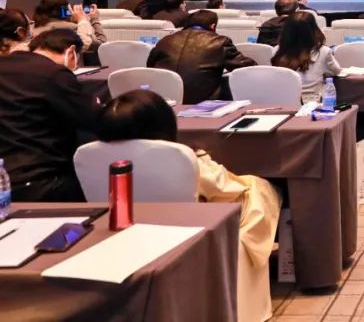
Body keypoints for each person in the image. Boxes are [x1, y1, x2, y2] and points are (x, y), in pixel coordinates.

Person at [97, 90, 281, 322]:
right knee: (257, 189)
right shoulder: (182, 159)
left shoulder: (87, 157)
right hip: (190, 234)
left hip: (119, 232)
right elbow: (223, 189)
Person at [0, 29, 100, 202]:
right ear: (71, 52)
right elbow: (93, 119)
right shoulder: (55, 74)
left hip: (5, 177)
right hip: (43, 181)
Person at [147, 10, 255, 103]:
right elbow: (245, 67)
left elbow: (150, 66)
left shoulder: (165, 40)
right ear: (213, 26)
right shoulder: (220, 42)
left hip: (164, 101)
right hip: (201, 102)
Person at [272, 12, 341, 103]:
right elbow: (336, 71)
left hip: (283, 102)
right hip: (313, 103)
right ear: (314, 29)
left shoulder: (276, 51)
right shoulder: (323, 51)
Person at [32, 0, 105, 52]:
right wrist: (93, 19)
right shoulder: (74, 28)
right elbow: (101, 44)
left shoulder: (34, 28)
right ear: (65, 12)